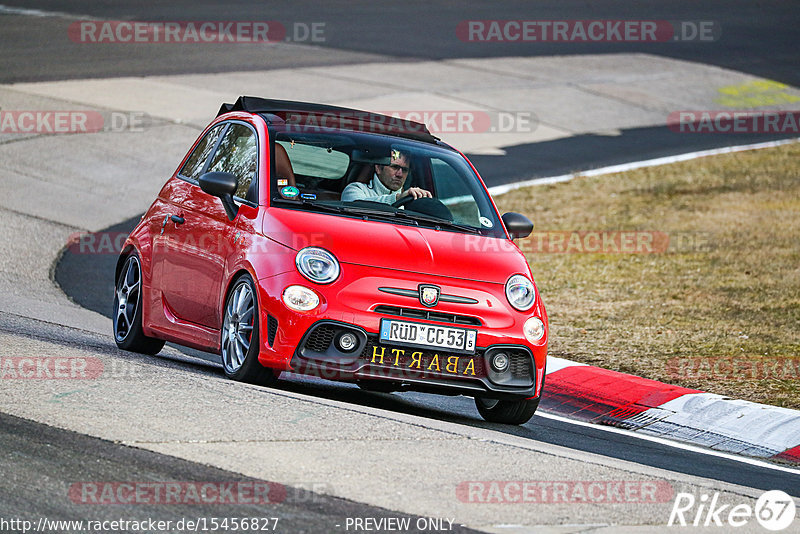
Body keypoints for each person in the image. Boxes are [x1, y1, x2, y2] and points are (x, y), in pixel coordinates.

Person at [341, 149, 432, 204]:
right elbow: (358, 207)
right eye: (394, 167)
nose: (400, 174)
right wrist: (397, 199)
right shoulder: (354, 190)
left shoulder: (413, 199)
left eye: (404, 170)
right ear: (379, 168)